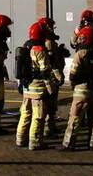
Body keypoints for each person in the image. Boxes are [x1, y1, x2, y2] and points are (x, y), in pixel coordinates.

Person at [15, 21, 58, 150]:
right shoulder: (39, 49)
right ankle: (35, 142)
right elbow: (45, 71)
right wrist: (51, 88)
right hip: (37, 89)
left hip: (27, 87)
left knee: (25, 113)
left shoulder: (26, 46)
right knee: (38, 116)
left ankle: (20, 139)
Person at [62, 25, 93, 150]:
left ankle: (69, 144)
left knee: (75, 118)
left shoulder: (80, 53)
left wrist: (73, 85)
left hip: (82, 90)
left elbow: (73, 74)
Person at [40, 17, 68, 138]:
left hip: (50, 77)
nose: (53, 29)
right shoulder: (49, 42)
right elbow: (52, 63)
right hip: (51, 77)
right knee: (49, 103)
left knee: (52, 103)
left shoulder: (49, 41)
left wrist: (60, 51)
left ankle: (51, 127)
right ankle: (47, 129)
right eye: (51, 27)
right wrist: (58, 77)